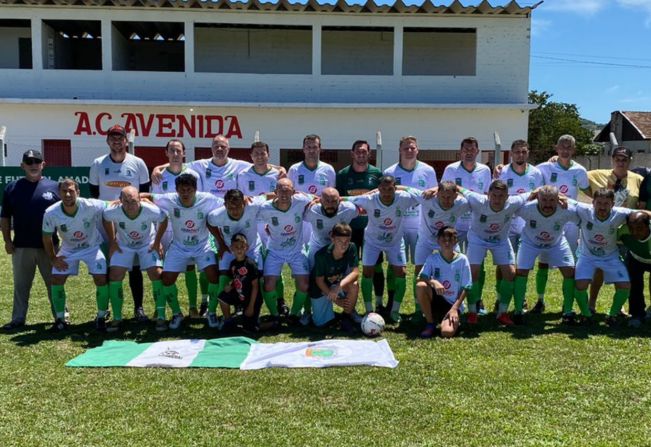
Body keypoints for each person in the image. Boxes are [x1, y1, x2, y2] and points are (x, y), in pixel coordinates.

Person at [89, 124, 151, 322]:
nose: (117, 141)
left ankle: (138, 308)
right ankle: (106, 308)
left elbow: (144, 193)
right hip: (106, 223)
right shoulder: (98, 164)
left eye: (120, 137)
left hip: (131, 223)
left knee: (133, 267)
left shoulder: (138, 163)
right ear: (107, 141)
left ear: (126, 140)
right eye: (112, 138)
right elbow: (94, 194)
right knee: (108, 267)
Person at [149, 173, 223, 331]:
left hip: (202, 245)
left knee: (213, 276)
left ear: (195, 190)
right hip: (179, 246)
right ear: (176, 190)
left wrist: (244, 199)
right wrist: (133, 196)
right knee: (167, 279)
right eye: (182, 190)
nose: (185, 193)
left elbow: (228, 203)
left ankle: (211, 313)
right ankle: (177, 313)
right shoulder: (169, 199)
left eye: (189, 190)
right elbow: (148, 196)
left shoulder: (208, 199)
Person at [455, 180, 530, 326]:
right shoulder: (477, 200)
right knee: (473, 273)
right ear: (488, 194)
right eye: (494, 195)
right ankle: (472, 312)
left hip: (500, 240)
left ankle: (502, 313)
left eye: (501, 196)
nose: (497, 199)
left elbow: (533, 193)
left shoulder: (513, 202)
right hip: (478, 239)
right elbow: (458, 188)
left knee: (510, 273)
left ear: (507, 196)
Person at [347, 175, 420, 323]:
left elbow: (423, 195)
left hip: (395, 242)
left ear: (395, 187)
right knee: (367, 272)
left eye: (390, 188)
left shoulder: (403, 198)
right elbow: (345, 199)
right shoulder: (370, 199)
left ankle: (394, 311)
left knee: (402, 272)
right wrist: (319, 199)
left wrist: (404, 187)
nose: (387, 192)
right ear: (378, 189)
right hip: (373, 241)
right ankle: (369, 311)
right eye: (383, 189)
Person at [1, 150, 60, 330]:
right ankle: (18, 319)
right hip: (21, 247)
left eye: (37, 161)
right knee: (21, 285)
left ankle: (61, 317)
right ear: (22, 165)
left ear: (43, 164)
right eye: (29, 161)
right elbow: (5, 217)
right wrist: (7, 240)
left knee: (55, 284)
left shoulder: (55, 187)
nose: (33, 165)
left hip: (49, 247)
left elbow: (65, 214)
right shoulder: (12, 188)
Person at [42, 179, 108, 332]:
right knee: (56, 278)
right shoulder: (51, 212)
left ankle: (101, 316)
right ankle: (60, 319)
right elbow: (46, 237)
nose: (67, 194)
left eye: (71, 191)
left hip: (92, 247)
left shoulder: (91, 205)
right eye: (64, 191)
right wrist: (53, 258)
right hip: (69, 249)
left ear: (78, 192)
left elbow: (112, 204)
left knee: (101, 277)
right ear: (59, 194)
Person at [384, 136, 438, 319]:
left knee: (419, 268)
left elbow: (433, 196)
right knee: (395, 268)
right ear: (399, 150)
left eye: (412, 148)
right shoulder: (389, 172)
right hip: (396, 227)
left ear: (417, 150)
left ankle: (419, 307)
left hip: (420, 227)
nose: (409, 151)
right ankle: (393, 305)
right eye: (405, 148)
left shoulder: (428, 171)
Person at [534, 134, 589, 312]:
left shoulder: (580, 171)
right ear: (556, 148)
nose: (565, 150)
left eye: (569, 147)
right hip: (547, 220)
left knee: (569, 264)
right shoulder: (544, 167)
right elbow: (525, 172)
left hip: (570, 222)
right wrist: (501, 167)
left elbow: (589, 188)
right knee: (543, 261)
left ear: (574, 149)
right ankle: (540, 301)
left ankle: (568, 305)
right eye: (562, 147)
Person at [585, 146, 643, 313]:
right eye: (617, 159)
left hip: (626, 233)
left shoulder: (638, 178)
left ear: (630, 161)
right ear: (612, 160)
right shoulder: (597, 175)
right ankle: (592, 303)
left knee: (624, 271)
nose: (621, 162)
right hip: (603, 231)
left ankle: (620, 306)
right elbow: (575, 175)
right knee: (599, 270)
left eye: (624, 159)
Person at [102, 186, 167, 332]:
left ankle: (161, 316)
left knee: (156, 273)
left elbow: (163, 219)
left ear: (140, 199)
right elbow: (106, 219)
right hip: (124, 245)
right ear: (120, 201)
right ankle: (117, 318)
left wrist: (157, 242)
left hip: (146, 244)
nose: (130, 205)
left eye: (133, 201)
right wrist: (112, 241)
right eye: (125, 201)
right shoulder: (112, 211)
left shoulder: (151, 209)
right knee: (114, 275)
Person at [512, 186, 579, 324]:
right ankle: (518, 310)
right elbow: (509, 207)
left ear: (558, 199)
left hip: (556, 242)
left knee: (570, 271)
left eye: (551, 200)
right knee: (521, 271)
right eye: (544, 200)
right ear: (538, 198)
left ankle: (567, 311)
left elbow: (587, 213)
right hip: (530, 242)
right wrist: (529, 194)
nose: (547, 204)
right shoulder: (527, 208)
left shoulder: (566, 209)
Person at [440, 137, 492, 314]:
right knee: (453, 262)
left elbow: (486, 196)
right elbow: (444, 193)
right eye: (466, 149)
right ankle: (451, 299)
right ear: (460, 151)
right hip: (454, 222)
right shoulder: (451, 169)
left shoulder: (485, 170)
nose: (469, 152)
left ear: (478, 151)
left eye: (472, 149)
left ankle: (476, 300)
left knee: (477, 264)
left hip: (477, 224)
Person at [335, 140, 386, 317]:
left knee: (376, 266)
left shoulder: (377, 174)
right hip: (350, 230)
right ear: (352, 153)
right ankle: (351, 305)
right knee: (351, 268)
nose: (361, 154)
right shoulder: (342, 175)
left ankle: (378, 304)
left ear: (369, 154)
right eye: (358, 151)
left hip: (372, 228)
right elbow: (338, 202)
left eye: (364, 151)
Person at [152, 139, 202, 317]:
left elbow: (198, 201)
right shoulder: (159, 175)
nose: (175, 154)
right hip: (165, 226)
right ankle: (162, 308)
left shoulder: (193, 174)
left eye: (178, 151)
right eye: (171, 151)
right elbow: (155, 203)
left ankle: (192, 306)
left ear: (184, 154)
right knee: (163, 267)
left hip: (186, 227)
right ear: (166, 153)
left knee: (190, 267)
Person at [573, 189, 637, 326]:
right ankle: (586, 314)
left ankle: (612, 314)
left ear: (613, 204)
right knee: (580, 285)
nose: (602, 207)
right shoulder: (584, 210)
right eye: (599, 203)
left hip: (610, 257)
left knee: (625, 286)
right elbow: (564, 201)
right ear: (593, 203)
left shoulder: (620, 213)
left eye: (606, 203)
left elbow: (640, 214)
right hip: (587, 256)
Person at [257, 178, 313, 326]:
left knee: (304, 285)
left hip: (296, 250)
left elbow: (319, 199)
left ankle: (293, 315)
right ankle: (275, 315)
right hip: (275, 251)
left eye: (287, 190)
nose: (284, 193)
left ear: (294, 192)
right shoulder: (265, 208)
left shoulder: (301, 201)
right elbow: (249, 213)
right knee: (268, 284)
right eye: (281, 190)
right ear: (275, 192)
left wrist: (316, 201)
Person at [207, 189, 266, 328]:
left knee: (256, 281)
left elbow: (269, 195)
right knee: (223, 282)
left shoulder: (253, 205)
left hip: (250, 248)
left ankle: (252, 314)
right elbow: (209, 223)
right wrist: (221, 243)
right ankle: (219, 315)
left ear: (244, 203)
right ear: (225, 205)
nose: (235, 211)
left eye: (238, 206)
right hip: (229, 248)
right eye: (231, 207)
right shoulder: (217, 215)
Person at [496, 139, 544, 311]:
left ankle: (521, 297)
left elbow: (540, 197)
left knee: (523, 264)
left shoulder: (537, 173)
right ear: (511, 153)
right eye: (517, 152)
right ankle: (499, 297)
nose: (520, 155)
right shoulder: (502, 172)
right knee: (503, 262)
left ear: (528, 152)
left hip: (527, 224)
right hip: (506, 222)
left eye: (524, 152)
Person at [416, 226, 471, 338]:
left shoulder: (463, 260)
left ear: (456, 241)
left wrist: (455, 308)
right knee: (421, 286)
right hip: (436, 299)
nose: (447, 243)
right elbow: (421, 277)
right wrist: (433, 282)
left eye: (450, 240)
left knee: (446, 333)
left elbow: (466, 287)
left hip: (452, 304)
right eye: (443, 240)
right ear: (438, 241)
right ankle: (430, 323)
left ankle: (449, 319)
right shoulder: (432, 258)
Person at [308, 223, 361, 332]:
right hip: (320, 288)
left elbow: (355, 273)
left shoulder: (352, 247)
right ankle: (331, 315)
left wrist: (339, 286)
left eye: (346, 241)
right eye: (339, 241)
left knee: (354, 285)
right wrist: (335, 300)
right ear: (332, 238)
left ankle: (346, 318)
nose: (343, 245)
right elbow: (319, 281)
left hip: (336, 284)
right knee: (320, 324)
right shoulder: (321, 255)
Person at [287, 134, 336, 247]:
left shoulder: (328, 169)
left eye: (314, 147)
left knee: (321, 250)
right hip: (301, 218)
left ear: (320, 148)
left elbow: (332, 196)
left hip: (322, 217)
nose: (311, 150)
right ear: (303, 149)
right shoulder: (294, 169)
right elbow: (290, 196)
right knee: (302, 252)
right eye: (308, 147)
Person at [217, 233, 263, 333]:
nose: (239, 249)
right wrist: (230, 285)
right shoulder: (233, 263)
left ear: (246, 247)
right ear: (231, 248)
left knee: (250, 329)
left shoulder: (250, 264)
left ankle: (271, 324)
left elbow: (255, 287)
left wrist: (251, 306)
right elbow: (235, 278)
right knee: (222, 297)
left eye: (242, 247)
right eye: (236, 247)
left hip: (252, 299)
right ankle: (228, 321)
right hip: (240, 295)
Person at [304, 187, 358, 268]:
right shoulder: (311, 211)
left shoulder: (350, 209)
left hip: (340, 246)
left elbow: (363, 206)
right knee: (312, 272)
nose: (330, 205)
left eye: (334, 201)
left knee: (347, 274)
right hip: (318, 245)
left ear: (340, 200)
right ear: (320, 201)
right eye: (327, 201)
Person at [619, 212, 651, 327]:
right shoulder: (623, 231)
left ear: (648, 226)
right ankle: (637, 315)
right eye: (631, 228)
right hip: (635, 259)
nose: (635, 232)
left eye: (639, 228)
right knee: (634, 286)